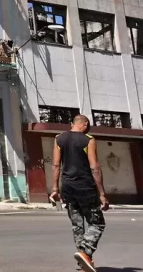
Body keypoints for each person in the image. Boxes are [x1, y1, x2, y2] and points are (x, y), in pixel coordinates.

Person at [50, 115, 109, 272]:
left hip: (67, 188)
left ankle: (84, 263)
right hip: (85, 188)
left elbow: (56, 165)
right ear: (86, 124)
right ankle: (86, 252)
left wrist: (55, 189)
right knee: (97, 223)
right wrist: (102, 194)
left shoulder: (59, 138)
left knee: (77, 225)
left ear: (72, 124)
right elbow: (94, 167)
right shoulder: (88, 139)